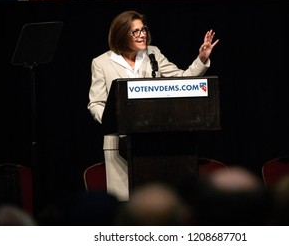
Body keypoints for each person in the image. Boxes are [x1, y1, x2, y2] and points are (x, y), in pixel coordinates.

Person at [87, 10, 219, 201]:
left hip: (154, 142)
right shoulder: (101, 62)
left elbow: (181, 80)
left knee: (154, 203)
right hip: (120, 145)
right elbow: (96, 103)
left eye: (143, 30)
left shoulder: (153, 53)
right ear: (122, 34)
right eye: (136, 31)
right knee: (125, 203)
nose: (142, 35)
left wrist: (202, 59)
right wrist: (112, 121)